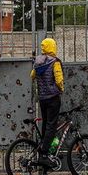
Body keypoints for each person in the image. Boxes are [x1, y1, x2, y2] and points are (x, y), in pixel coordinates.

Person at [31, 37, 64, 168]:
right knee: (52, 125)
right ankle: (44, 153)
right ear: (53, 47)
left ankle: (43, 148)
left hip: (42, 98)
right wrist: (61, 89)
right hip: (53, 98)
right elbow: (59, 79)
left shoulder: (38, 62)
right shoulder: (55, 62)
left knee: (45, 123)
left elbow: (32, 76)